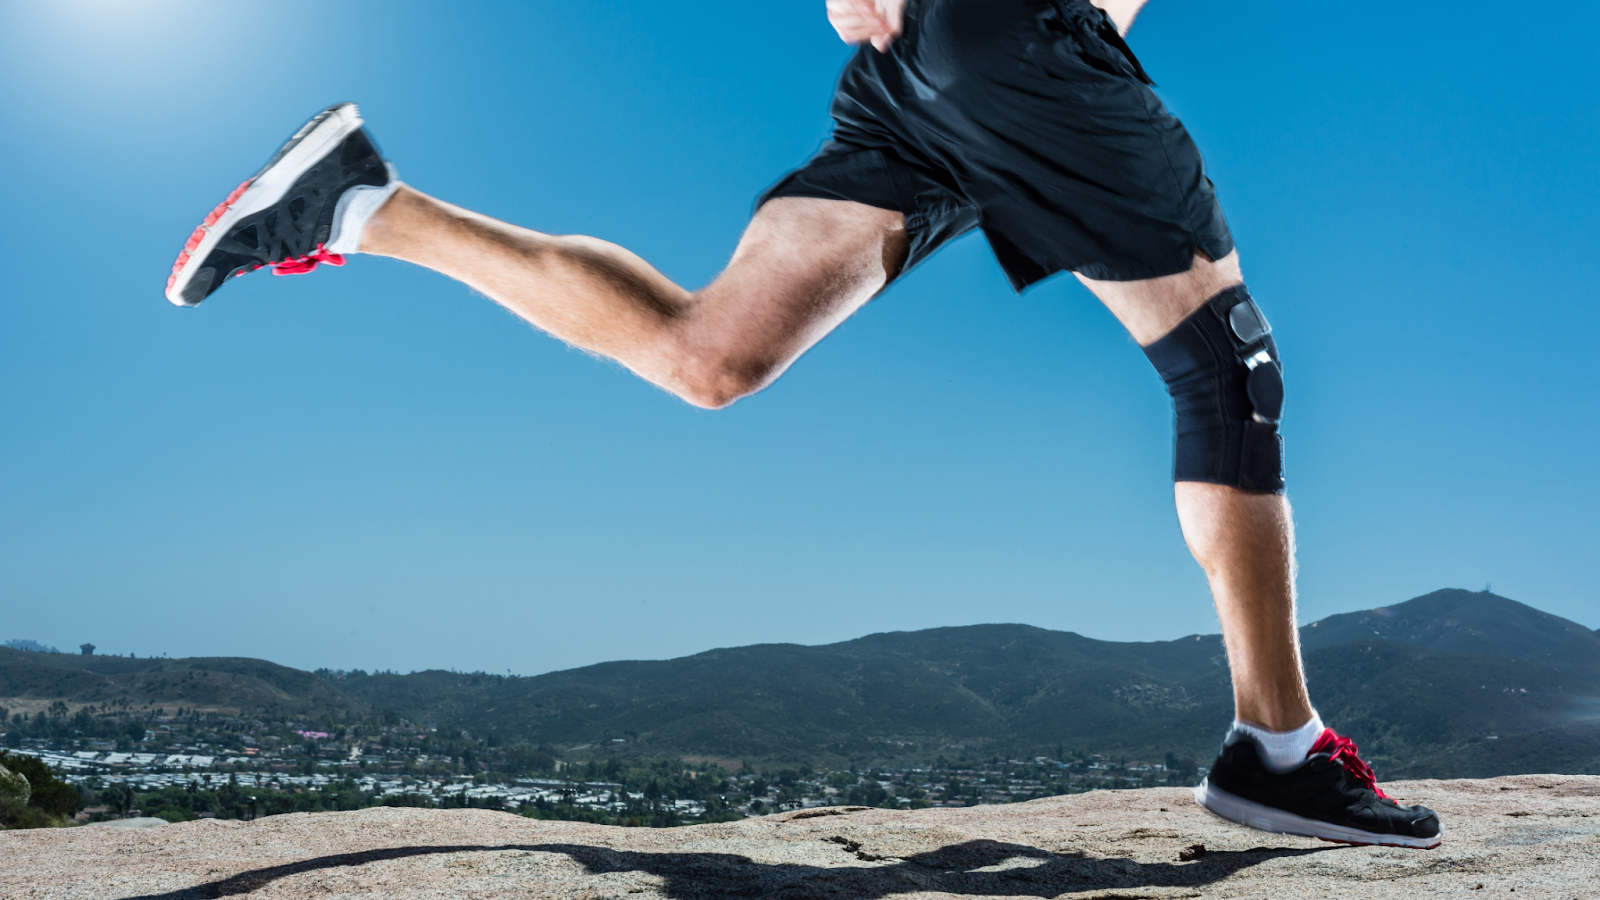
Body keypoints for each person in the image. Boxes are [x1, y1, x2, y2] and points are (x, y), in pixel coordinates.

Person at [164, 0, 1440, 848]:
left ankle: (362, 207)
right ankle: (1276, 747)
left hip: (942, 81)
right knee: (1229, 373)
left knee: (709, 354)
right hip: (1018, 48)